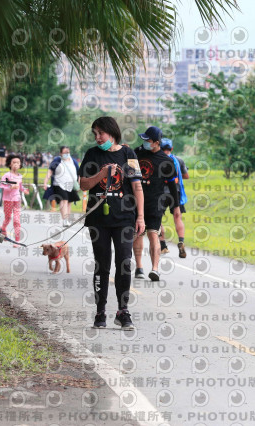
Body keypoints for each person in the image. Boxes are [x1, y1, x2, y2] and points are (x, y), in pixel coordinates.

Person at [79, 116, 145, 330]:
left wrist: (141, 216)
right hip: (99, 220)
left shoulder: (129, 154)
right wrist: (102, 174)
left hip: (125, 218)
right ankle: (100, 312)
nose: (98, 138)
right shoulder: (92, 154)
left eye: (101, 133)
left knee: (124, 263)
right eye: (95, 134)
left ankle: (123, 311)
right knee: (102, 265)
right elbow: (83, 185)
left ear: (112, 132)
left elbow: (137, 187)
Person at [132, 126, 179, 282]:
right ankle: (139, 267)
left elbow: (173, 186)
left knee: (153, 234)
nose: (145, 142)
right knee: (137, 233)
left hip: (155, 203)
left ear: (157, 143)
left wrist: (175, 206)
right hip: (136, 202)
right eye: (144, 139)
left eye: (148, 140)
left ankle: (155, 269)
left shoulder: (166, 161)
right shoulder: (137, 153)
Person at [158, 138, 189, 258]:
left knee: (158, 219)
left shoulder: (158, 159)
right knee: (178, 217)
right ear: (171, 148)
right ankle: (181, 241)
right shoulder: (178, 160)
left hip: (161, 193)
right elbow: (186, 176)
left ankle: (163, 245)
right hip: (175, 192)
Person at [43, 146, 80, 226]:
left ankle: (67, 219)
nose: (66, 154)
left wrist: (79, 184)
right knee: (64, 200)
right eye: (64, 153)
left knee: (69, 202)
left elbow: (78, 174)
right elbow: (50, 172)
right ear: (60, 153)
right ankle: (65, 220)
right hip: (59, 184)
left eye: (68, 152)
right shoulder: (57, 161)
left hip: (71, 185)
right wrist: (45, 182)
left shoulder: (73, 161)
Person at [0, 154, 29, 246]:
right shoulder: (6, 175)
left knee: (16, 220)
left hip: (17, 199)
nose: (16, 164)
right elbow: (1, 186)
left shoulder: (20, 176)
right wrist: (10, 187)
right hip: (7, 200)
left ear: (20, 165)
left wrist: (24, 190)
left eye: (18, 162)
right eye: (14, 162)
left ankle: (17, 240)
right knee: (8, 217)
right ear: (10, 164)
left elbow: (20, 186)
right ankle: (3, 227)